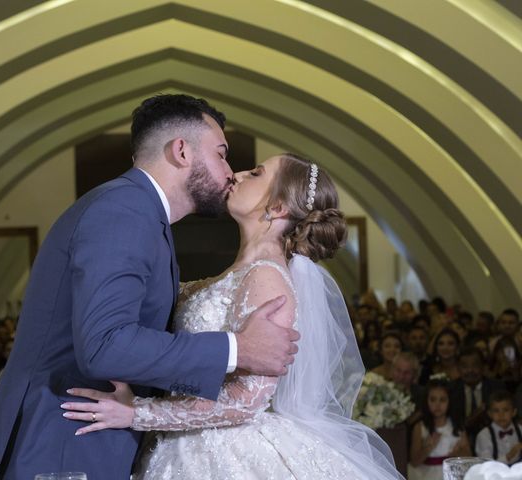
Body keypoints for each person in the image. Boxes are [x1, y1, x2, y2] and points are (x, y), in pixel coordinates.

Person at [0, 94, 298, 479]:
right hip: (64, 446)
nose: (230, 171)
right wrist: (237, 348)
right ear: (181, 151)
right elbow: (106, 343)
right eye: (221, 154)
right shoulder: (123, 212)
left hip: (91, 436)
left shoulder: (141, 216)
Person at [62, 155, 402, 479]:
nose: (237, 174)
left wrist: (137, 413)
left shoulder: (267, 279)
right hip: (184, 442)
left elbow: (246, 400)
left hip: (221, 452)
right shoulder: (238, 274)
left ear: (278, 207)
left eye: (255, 173)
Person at [409, 378, 471, 480]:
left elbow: (468, 456)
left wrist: (455, 454)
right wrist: (429, 447)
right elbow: (414, 462)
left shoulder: (457, 427)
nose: (437, 405)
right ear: (426, 401)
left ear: (449, 401)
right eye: (433, 400)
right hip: (425, 475)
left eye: (442, 400)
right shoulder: (420, 427)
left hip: (451, 474)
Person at [449, 347, 504, 442]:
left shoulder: (497, 388)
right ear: (458, 368)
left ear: (483, 367)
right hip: (459, 441)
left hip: (493, 440)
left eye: (475, 365)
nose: (470, 370)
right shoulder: (450, 389)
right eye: (464, 366)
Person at [475, 390, 522, 465]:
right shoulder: (484, 436)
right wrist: (509, 456)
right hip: (495, 474)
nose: (501, 415)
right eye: (496, 411)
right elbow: (486, 464)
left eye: (506, 410)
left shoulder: (520, 430)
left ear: (514, 412)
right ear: (489, 414)